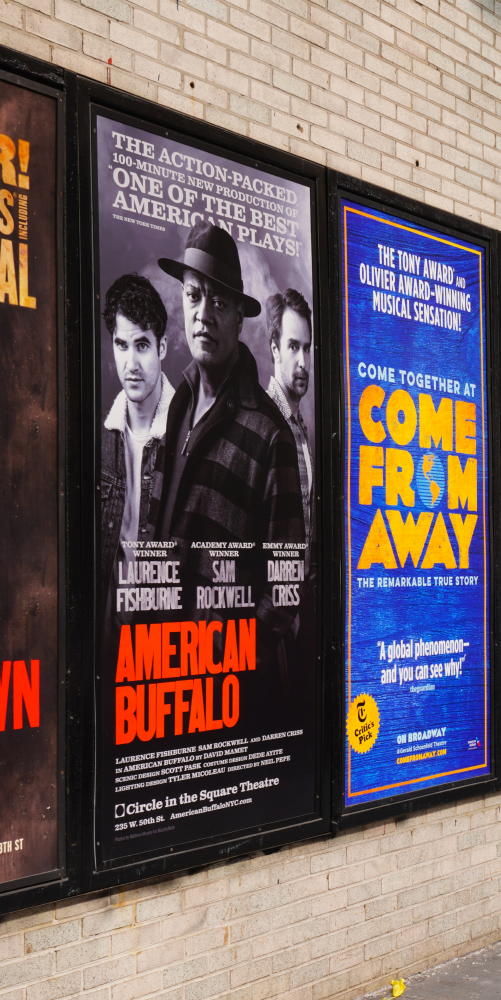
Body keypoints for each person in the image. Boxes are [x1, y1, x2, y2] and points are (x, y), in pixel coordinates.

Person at [154, 222, 306, 675]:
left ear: (240, 317)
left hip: (221, 688)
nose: (203, 315)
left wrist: (230, 664)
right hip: (156, 671)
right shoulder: (175, 404)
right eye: (193, 296)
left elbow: (285, 587)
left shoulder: (270, 433)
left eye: (219, 302)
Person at [101, 274, 175, 560]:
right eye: (122, 345)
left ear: (162, 348)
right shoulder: (100, 440)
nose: (131, 364)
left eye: (142, 345)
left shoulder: (187, 438)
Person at [263, 289, 315, 547]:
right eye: (293, 347)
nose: (303, 362)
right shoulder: (261, 421)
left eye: (306, 348)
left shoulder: (300, 429)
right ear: (275, 350)